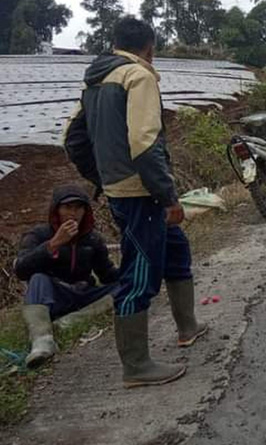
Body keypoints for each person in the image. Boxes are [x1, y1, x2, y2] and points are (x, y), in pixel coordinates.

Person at [64, 17, 207, 388]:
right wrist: (167, 196)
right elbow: (145, 143)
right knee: (138, 274)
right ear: (150, 47)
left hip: (120, 188)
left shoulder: (96, 82)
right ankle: (137, 366)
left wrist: (102, 177)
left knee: (176, 248)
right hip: (141, 192)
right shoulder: (137, 76)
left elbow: (73, 140)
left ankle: (188, 327)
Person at [13, 185, 119, 368]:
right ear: (57, 210)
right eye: (67, 208)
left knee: (127, 285)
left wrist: (133, 270)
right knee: (38, 278)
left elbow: (107, 274)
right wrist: (53, 244)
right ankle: (42, 342)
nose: (73, 213)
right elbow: (21, 270)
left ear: (86, 211)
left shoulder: (92, 239)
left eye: (79, 208)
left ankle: (73, 321)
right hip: (54, 296)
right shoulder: (38, 234)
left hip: (83, 294)